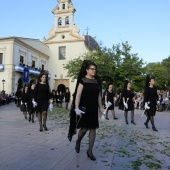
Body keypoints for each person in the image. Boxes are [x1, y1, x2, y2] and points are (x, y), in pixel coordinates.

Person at [68, 60, 103, 161]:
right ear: (87, 70)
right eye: (92, 69)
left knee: (93, 129)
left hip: (93, 108)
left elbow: (99, 96)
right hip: (84, 108)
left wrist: (101, 108)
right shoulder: (83, 80)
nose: (94, 71)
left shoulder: (97, 81)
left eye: (95, 69)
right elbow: (78, 95)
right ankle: (78, 141)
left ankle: (90, 151)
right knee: (84, 129)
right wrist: (76, 108)